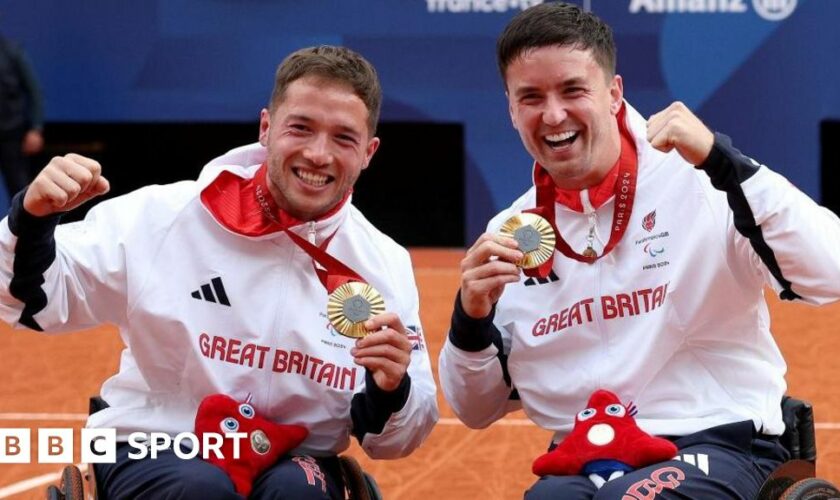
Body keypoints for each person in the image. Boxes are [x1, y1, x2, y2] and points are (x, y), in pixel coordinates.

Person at [438, 3, 840, 499]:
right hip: (585, 454)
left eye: (572, 90)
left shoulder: (701, 178)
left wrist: (724, 162)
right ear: (511, 110)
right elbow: (476, 410)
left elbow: (830, 271)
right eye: (531, 97)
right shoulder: (513, 231)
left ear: (613, 93)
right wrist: (470, 317)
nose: (554, 114)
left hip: (718, 441)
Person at [0, 45, 438, 499]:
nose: (318, 154)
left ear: (369, 152)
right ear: (266, 128)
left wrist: (391, 388)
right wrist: (32, 219)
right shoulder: (165, 217)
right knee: (199, 489)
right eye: (300, 128)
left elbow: (397, 438)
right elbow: (30, 302)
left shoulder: (382, 262)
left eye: (344, 138)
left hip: (295, 457)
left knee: (296, 493)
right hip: (158, 443)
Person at [0, 33, 44, 198]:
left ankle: (22, 223)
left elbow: (34, 92)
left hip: (12, 134)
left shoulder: (12, 51)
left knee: (19, 188)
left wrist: (35, 128)